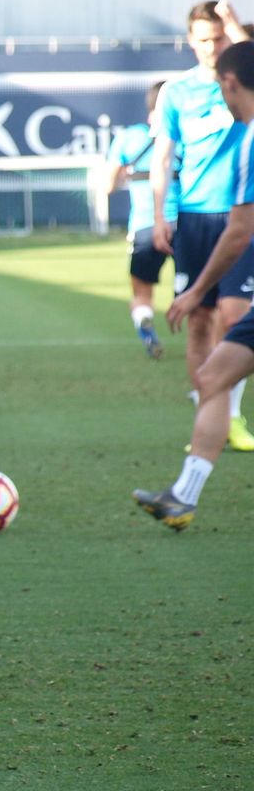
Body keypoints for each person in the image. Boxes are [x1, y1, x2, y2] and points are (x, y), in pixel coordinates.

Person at [134, 40, 254, 526]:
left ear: (228, 81)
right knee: (212, 377)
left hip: (217, 247)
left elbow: (241, 229)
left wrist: (197, 289)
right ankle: (182, 497)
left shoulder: (250, 140)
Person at [149, 0, 254, 452]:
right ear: (190, 41)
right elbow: (163, 155)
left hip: (240, 216)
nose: (212, 47)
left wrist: (236, 25)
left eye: (219, 37)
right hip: (194, 215)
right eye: (204, 38)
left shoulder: (240, 81)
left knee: (234, 315)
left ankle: (229, 415)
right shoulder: (177, 92)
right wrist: (159, 214)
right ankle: (207, 410)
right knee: (198, 319)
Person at [107, 80, 175, 359]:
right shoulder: (184, 136)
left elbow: (108, 185)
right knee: (201, 293)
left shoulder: (129, 137)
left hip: (145, 225)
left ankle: (145, 320)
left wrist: (123, 176)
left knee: (142, 291)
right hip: (188, 222)